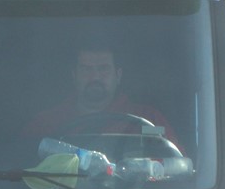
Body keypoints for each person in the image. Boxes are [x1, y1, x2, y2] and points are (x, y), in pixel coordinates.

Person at [23, 45, 180, 147]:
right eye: (86, 69)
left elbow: (176, 170)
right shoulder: (46, 124)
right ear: (74, 75)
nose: (95, 77)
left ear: (118, 76)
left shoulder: (149, 120)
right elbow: (24, 173)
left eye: (103, 69)